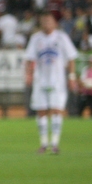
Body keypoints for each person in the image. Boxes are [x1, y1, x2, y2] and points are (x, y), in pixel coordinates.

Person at [25, 9, 78, 154]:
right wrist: (28, 75)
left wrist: (71, 77)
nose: (46, 23)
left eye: (49, 20)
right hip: (40, 80)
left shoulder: (61, 37)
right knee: (41, 111)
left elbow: (71, 57)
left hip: (58, 80)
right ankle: (43, 144)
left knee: (57, 110)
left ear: (54, 23)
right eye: (44, 21)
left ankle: (54, 143)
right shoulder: (36, 38)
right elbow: (29, 59)